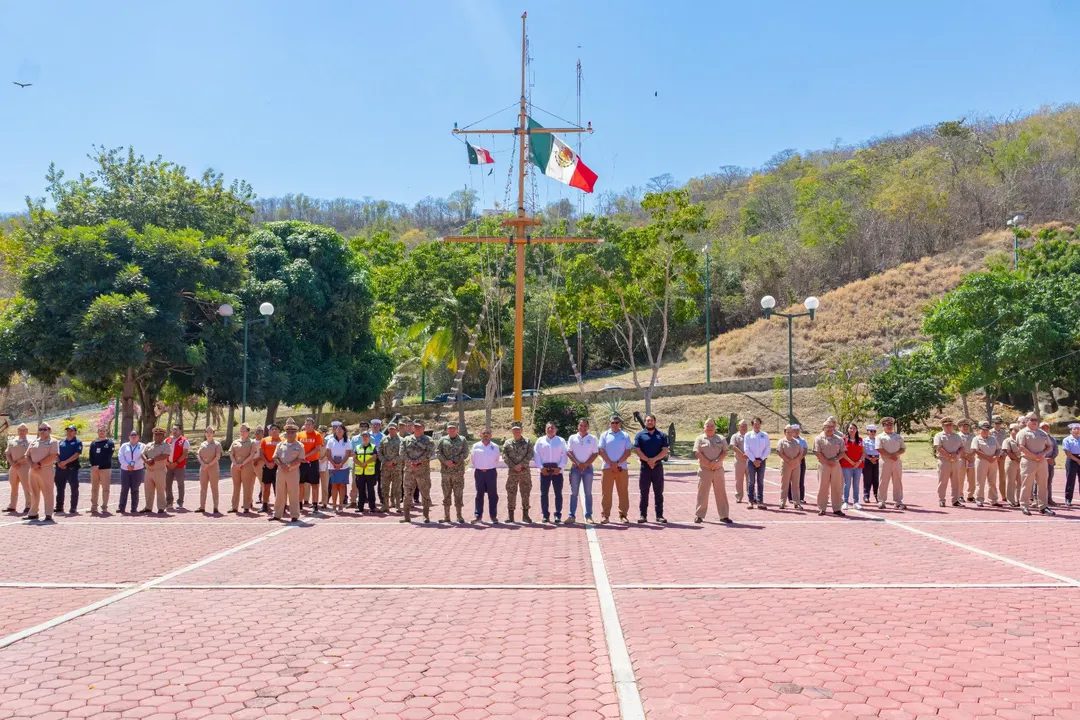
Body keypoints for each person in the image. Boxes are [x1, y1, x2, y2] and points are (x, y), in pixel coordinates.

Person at [634, 414, 670, 523]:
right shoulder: (640, 435)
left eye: (652, 420)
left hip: (657, 467)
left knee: (658, 492)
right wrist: (647, 460)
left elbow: (665, 450)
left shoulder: (662, 435)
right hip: (645, 467)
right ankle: (643, 515)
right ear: (645, 422)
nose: (650, 422)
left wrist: (654, 460)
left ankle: (659, 515)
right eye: (648, 420)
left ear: (655, 422)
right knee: (644, 492)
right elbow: (637, 450)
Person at [694, 419, 731, 523]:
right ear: (704, 427)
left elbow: (725, 452)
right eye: (707, 425)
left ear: (715, 427)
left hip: (718, 470)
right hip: (705, 470)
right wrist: (708, 463)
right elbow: (697, 452)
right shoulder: (700, 438)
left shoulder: (721, 438)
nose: (710, 427)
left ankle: (724, 516)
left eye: (712, 426)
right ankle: (699, 515)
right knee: (702, 493)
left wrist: (716, 461)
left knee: (721, 493)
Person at [1016, 414, 1053, 516]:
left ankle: (1043, 506)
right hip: (1028, 461)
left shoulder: (1043, 433)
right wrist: (1034, 456)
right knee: (1026, 484)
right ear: (1027, 421)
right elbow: (1021, 447)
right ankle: (1024, 506)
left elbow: (1050, 446)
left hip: (1041, 461)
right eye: (1032, 420)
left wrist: (1042, 454)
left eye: (1036, 420)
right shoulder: (1022, 433)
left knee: (1043, 484)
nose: (1034, 421)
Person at [598, 415, 632, 524]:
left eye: (617, 422)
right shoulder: (604, 435)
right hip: (607, 468)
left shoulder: (625, 436)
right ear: (610, 423)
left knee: (623, 492)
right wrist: (610, 463)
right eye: (612, 422)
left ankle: (623, 515)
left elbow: (628, 452)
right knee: (606, 493)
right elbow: (601, 450)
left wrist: (617, 463)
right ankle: (605, 516)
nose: (614, 424)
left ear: (620, 423)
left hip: (622, 468)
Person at [401, 419, 435, 523]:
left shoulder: (429, 440)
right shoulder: (406, 439)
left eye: (419, 427)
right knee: (407, 493)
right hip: (409, 471)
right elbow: (402, 453)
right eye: (415, 427)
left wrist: (417, 461)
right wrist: (412, 462)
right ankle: (406, 516)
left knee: (425, 493)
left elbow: (429, 454)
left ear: (423, 428)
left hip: (423, 472)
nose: (417, 428)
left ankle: (425, 515)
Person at [534, 422, 569, 524]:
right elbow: (536, 455)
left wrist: (560, 467)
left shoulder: (561, 441)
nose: (550, 429)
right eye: (548, 427)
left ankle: (558, 515)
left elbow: (565, 455)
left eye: (552, 428)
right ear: (545, 429)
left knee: (558, 494)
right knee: (544, 494)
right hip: (544, 471)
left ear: (555, 429)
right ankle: (545, 515)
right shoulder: (540, 441)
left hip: (557, 471)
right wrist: (541, 468)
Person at [567, 418, 599, 525]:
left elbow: (595, 453)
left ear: (588, 427)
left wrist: (585, 464)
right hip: (575, 469)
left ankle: (588, 515)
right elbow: (569, 452)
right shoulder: (572, 437)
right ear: (578, 426)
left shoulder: (593, 438)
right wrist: (577, 463)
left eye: (585, 426)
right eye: (581, 425)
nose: (583, 428)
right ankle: (571, 515)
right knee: (574, 493)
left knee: (588, 493)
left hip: (588, 469)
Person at [502, 422, 535, 524]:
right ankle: (510, 515)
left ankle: (525, 515)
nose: (516, 431)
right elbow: (504, 456)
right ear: (512, 431)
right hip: (512, 472)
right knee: (511, 493)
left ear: (522, 430)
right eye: (514, 429)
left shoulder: (527, 441)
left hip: (524, 472)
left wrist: (521, 465)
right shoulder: (507, 443)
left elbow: (530, 454)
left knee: (525, 492)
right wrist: (513, 466)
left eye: (518, 429)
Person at [272, 420, 304, 522]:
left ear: (295, 434)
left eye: (292, 432)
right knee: (280, 493)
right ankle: (277, 514)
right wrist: (281, 464)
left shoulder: (299, 445)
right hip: (281, 471)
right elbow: (275, 457)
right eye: (288, 432)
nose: (290, 434)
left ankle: (294, 515)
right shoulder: (280, 444)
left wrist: (289, 465)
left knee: (293, 493)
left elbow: (300, 459)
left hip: (293, 472)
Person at [26, 423, 59, 522]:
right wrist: (32, 464)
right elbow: (26, 455)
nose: (42, 431)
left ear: (49, 430)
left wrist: (39, 464)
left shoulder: (53, 441)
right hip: (32, 470)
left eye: (45, 429)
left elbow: (53, 456)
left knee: (48, 492)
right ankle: (33, 513)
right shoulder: (34, 442)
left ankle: (49, 514)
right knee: (34, 492)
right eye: (40, 429)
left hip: (45, 470)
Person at [437, 422, 469, 523]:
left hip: (458, 472)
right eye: (450, 428)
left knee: (458, 494)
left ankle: (459, 516)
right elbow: (438, 452)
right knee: (446, 494)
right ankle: (447, 516)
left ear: (457, 429)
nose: (452, 430)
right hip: (446, 472)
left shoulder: (462, 440)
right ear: (447, 430)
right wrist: (445, 461)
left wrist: (454, 461)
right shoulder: (442, 440)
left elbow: (466, 453)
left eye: (454, 428)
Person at [814, 418, 845, 516]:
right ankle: (822, 508)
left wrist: (835, 460)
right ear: (823, 428)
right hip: (823, 465)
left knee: (837, 487)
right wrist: (827, 461)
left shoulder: (839, 439)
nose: (830, 429)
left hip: (835, 465)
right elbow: (817, 452)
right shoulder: (818, 438)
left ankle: (837, 508)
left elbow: (843, 452)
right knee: (823, 487)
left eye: (832, 427)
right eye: (828, 427)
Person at [470, 427, 501, 523]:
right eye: (484, 433)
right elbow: (473, 459)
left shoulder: (495, 446)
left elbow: (497, 459)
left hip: (491, 473)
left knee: (493, 495)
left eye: (488, 433)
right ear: (480, 435)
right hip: (479, 473)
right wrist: (480, 467)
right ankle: (478, 516)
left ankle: (493, 516)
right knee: (479, 494)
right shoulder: (475, 446)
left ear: (491, 435)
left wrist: (488, 467)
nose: (486, 435)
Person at [933, 417, 965, 508]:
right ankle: (942, 500)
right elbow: (938, 448)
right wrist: (949, 456)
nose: (949, 427)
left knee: (956, 482)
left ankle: (955, 500)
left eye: (950, 425)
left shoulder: (957, 436)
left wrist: (957, 454)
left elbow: (962, 447)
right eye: (946, 425)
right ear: (942, 426)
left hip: (955, 461)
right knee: (943, 481)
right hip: (944, 461)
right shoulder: (939, 435)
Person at [876, 417, 906, 510]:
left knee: (897, 481)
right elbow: (879, 449)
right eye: (887, 425)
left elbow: (903, 448)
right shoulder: (880, 437)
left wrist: (896, 454)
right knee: (883, 481)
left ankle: (898, 501)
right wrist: (890, 455)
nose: (889, 426)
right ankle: (881, 501)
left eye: (891, 425)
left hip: (896, 461)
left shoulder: (898, 437)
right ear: (883, 426)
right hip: (885, 461)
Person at [228, 423, 258, 514]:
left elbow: (252, 455)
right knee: (236, 486)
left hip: (247, 466)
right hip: (235, 466)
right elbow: (231, 454)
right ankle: (234, 507)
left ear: (248, 431)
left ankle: (246, 506)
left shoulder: (252, 442)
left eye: (244, 430)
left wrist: (242, 464)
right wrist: (235, 464)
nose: (242, 432)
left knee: (247, 487)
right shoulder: (235, 442)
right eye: (241, 430)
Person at [296, 418, 324, 511]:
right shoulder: (300, 435)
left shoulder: (317, 435)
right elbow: (296, 447)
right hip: (302, 463)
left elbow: (317, 449)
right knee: (300, 484)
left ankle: (315, 504)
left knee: (314, 484)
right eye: (306, 424)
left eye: (309, 424)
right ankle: (299, 504)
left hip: (313, 462)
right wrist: (300, 457)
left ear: (313, 425)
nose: (307, 426)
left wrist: (305, 455)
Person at [54, 424, 83, 515]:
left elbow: (76, 455)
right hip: (60, 469)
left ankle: (73, 507)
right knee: (60, 488)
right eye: (68, 430)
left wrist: (65, 462)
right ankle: (59, 507)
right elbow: (56, 454)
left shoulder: (78, 442)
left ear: (75, 432)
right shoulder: (61, 442)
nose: (69, 432)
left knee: (74, 488)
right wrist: (59, 463)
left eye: (71, 430)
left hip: (72, 469)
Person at [971, 420, 1000, 507]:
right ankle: (979, 499)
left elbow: (998, 449)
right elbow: (975, 450)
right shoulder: (976, 439)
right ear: (979, 430)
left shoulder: (993, 438)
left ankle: (993, 500)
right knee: (980, 482)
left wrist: (995, 456)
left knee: (993, 481)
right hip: (982, 462)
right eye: (983, 429)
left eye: (987, 429)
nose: (985, 431)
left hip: (993, 462)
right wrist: (987, 457)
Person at [141, 427, 170, 514]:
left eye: (159, 435)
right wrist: (146, 460)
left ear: (163, 436)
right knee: (148, 490)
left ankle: (161, 507)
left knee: (160, 489)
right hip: (149, 470)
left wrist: (153, 459)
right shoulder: (149, 444)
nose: (156, 436)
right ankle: (148, 507)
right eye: (155, 435)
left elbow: (165, 455)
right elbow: (142, 453)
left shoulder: (166, 446)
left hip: (159, 470)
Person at [743, 417, 770, 509]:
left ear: (760, 424)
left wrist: (761, 459)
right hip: (751, 461)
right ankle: (750, 501)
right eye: (755, 424)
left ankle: (760, 502)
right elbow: (746, 449)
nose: (757, 425)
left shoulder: (765, 435)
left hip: (761, 461)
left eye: (758, 423)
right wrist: (754, 460)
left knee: (760, 482)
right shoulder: (748, 435)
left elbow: (767, 449)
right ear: (752, 425)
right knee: (751, 482)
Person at [776, 425, 804, 511]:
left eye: (791, 432)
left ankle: (797, 503)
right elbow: (780, 452)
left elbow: (801, 453)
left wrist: (795, 461)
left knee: (796, 485)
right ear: (785, 432)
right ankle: (782, 502)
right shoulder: (781, 442)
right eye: (788, 432)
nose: (790, 433)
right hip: (786, 464)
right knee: (785, 484)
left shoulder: (797, 442)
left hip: (796, 465)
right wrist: (788, 460)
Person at [88, 427, 115, 515]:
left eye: (104, 431)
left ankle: (104, 507)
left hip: (105, 469)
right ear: (97, 432)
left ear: (106, 432)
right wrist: (93, 465)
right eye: (100, 431)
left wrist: (98, 466)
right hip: (94, 469)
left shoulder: (110, 443)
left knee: (105, 489)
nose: (102, 432)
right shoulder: (93, 443)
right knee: (94, 489)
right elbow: (91, 456)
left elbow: (108, 457)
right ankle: (94, 507)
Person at [4, 423, 31, 514]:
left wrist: (18, 462)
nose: (21, 432)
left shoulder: (30, 442)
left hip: (25, 466)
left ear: (27, 431)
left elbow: (28, 455)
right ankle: (12, 506)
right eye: (19, 430)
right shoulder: (12, 441)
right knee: (13, 487)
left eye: (23, 430)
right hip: (14, 467)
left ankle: (29, 505)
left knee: (27, 487)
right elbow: (7, 454)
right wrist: (12, 463)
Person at [117, 430, 145, 515]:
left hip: (137, 470)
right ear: (129, 437)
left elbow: (143, 457)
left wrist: (134, 466)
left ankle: (134, 508)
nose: (133, 436)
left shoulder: (142, 446)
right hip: (125, 470)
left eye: (135, 435)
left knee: (135, 489)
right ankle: (121, 507)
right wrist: (127, 465)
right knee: (124, 489)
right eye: (132, 435)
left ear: (138, 437)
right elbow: (120, 456)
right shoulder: (124, 446)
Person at [326, 423, 353, 513]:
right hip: (332, 467)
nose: (339, 431)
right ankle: (334, 505)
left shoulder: (347, 441)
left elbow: (348, 454)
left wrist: (341, 464)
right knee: (334, 485)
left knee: (342, 485)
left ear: (344, 431)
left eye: (341, 429)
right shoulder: (330, 441)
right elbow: (328, 454)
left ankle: (340, 505)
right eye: (337, 429)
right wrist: (333, 463)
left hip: (343, 467)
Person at [377, 423, 403, 513]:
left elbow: (402, 453)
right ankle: (385, 505)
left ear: (397, 430)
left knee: (397, 487)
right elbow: (379, 452)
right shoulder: (384, 439)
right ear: (388, 430)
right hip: (385, 468)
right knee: (384, 487)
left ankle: (397, 505)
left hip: (396, 467)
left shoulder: (401, 440)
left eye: (393, 429)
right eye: (390, 429)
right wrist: (385, 461)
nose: (392, 430)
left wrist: (393, 461)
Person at [196, 426, 223, 514]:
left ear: (213, 434)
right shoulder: (202, 444)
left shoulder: (217, 444)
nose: (209, 434)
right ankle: (202, 506)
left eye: (211, 432)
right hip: (203, 468)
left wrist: (209, 464)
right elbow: (198, 454)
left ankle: (215, 507)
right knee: (203, 487)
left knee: (214, 487)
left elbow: (218, 456)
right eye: (207, 432)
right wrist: (203, 464)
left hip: (213, 468)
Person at [164, 424, 190, 510]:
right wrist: (167, 463)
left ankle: (180, 502)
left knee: (180, 484)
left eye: (176, 429)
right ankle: (169, 502)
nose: (174, 431)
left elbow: (184, 454)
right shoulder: (167, 440)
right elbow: (163, 452)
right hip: (168, 466)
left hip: (179, 466)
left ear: (180, 431)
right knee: (167, 484)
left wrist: (176, 463)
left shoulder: (184, 441)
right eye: (173, 429)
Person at [352, 428, 378, 513]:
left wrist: (365, 463)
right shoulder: (357, 447)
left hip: (370, 472)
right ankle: (360, 507)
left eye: (366, 436)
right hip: (360, 473)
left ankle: (372, 507)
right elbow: (354, 458)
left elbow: (374, 457)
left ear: (369, 437)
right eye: (363, 436)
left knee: (371, 490)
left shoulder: (373, 447)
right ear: (361, 437)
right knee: (361, 490)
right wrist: (361, 464)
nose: (365, 438)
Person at [840, 422, 864, 511]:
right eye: (850, 428)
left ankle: (856, 502)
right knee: (847, 483)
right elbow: (842, 453)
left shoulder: (860, 440)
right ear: (847, 429)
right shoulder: (843, 439)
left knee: (856, 484)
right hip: (846, 465)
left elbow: (863, 452)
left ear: (856, 430)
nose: (852, 430)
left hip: (858, 466)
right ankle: (845, 502)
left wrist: (859, 461)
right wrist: (850, 461)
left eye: (854, 428)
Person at [259, 424, 281, 513]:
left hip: (278, 467)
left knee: (278, 488)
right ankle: (264, 505)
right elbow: (261, 453)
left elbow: (283, 454)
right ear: (270, 431)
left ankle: (280, 506)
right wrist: (267, 463)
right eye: (272, 429)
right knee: (266, 487)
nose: (274, 431)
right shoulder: (264, 440)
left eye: (276, 429)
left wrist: (275, 462)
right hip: (267, 466)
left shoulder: (283, 440)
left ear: (279, 431)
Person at [1003, 423, 1023, 507]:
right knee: (1011, 482)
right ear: (1011, 431)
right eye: (1015, 430)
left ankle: (1019, 500)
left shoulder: (1022, 440)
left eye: (1018, 430)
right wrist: (1017, 459)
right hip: (1011, 462)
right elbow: (1008, 452)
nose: (1017, 431)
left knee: (1020, 482)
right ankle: (1011, 500)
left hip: (1021, 462)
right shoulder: (1007, 440)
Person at [1040, 421, 1059, 506]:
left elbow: (1056, 450)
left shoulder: (1053, 439)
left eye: (1047, 427)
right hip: (1040, 462)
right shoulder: (1037, 439)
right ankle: (1037, 499)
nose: (1045, 429)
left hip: (1050, 463)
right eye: (1043, 428)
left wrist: (1051, 458)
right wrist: (1044, 458)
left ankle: (1049, 499)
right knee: (1038, 482)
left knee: (1049, 481)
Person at [958, 419, 977, 502]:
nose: (966, 427)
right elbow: (957, 448)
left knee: (972, 479)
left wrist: (971, 456)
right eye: (963, 426)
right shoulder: (957, 436)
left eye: (967, 426)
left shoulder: (973, 436)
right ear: (959, 427)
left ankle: (970, 496)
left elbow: (976, 447)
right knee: (960, 478)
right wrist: (965, 455)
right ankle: (959, 495)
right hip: (961, 459)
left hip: (971, 459)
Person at [788, 424, 808, 504]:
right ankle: (790, 498)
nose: (796, 432)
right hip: (791, 461)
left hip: (801, 461)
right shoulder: (789, 440)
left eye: (798, 430)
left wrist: (800, 458)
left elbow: (805, 450)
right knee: (790, 479)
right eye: (795, 430)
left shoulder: (802, 440)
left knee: (801, 479)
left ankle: (801, 498)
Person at [730, 420, 748, 504]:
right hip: (739, 461)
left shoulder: (750, 435)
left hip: (749, 461)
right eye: (742, 426)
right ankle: (739, 496)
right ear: (738, 426)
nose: (744, 427)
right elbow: (733, 446)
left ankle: (751, 496)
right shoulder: (735, 436)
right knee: (739, 480)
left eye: (745, 426)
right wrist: (742, 454)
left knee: (751, 480)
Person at [1062, 422, 1080, 508]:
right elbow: (1067, 452)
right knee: (1070, 480)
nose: (1076, 430)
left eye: (1078, 429)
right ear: (1071, 431)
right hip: (1072, 459)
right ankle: (1068, 499)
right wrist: (1077, 460)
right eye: (1074, 429)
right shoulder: (1067, 439)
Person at [991, 415, 1009, 501]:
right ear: (993, 423)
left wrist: (1004, 454)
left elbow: (1005, 444)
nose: (997, 424)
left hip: (1002, 456)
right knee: (992, 477)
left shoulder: (1003, 432)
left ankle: (1004, 495)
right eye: (996, 423)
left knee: (1003, 477)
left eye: (999, 423)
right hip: (993, 457)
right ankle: (993, 496)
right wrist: (995, 455)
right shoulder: (990, 432)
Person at [862, 424, 880, 505]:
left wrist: (876, 459)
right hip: (867, 460)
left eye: (874, 431)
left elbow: (880, 450)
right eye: (871, 431)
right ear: (867, 432)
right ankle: (866, 496)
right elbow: (863, 452)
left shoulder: (878, 440)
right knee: (867, 479)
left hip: (876, 459)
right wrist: (870, 459)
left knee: (875, 479)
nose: (873, 433)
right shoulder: (864, 440)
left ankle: (877, 496)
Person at [370, 419, 385, 508]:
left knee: (380, 480)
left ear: (380, 426)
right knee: (370, 480)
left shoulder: (383, 436)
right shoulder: (366, 435)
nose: (375, 426)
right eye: (373, 425)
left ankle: (382, 498)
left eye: (377, 425)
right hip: (369, 460)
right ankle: (369, 499)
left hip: (379, 460)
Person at [253, 426, 265, 505]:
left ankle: (263, 499)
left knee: (262, 482)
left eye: (259, 431)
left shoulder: (264, 441)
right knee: (249, 483)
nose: (257, 432)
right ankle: (248, 501)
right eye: (256, 431)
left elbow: (264, 453)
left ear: (262, 433)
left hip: (260, 463)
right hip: (251, 464)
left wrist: (257, 460)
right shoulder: (252, 442)